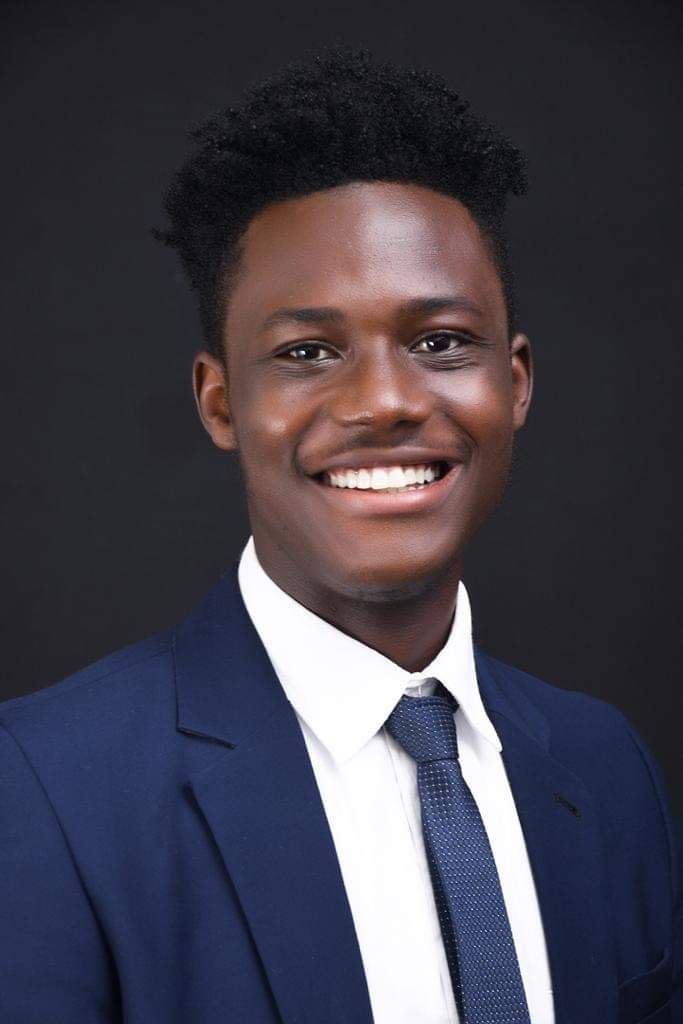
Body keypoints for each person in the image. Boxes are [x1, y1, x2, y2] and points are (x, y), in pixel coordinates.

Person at [0, 48, 679, 1024]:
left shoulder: (604, 766)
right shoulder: (44, 786)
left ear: (514, 381)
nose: (384, 402)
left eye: (439, 340)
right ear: (220, 400)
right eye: (307, 351)